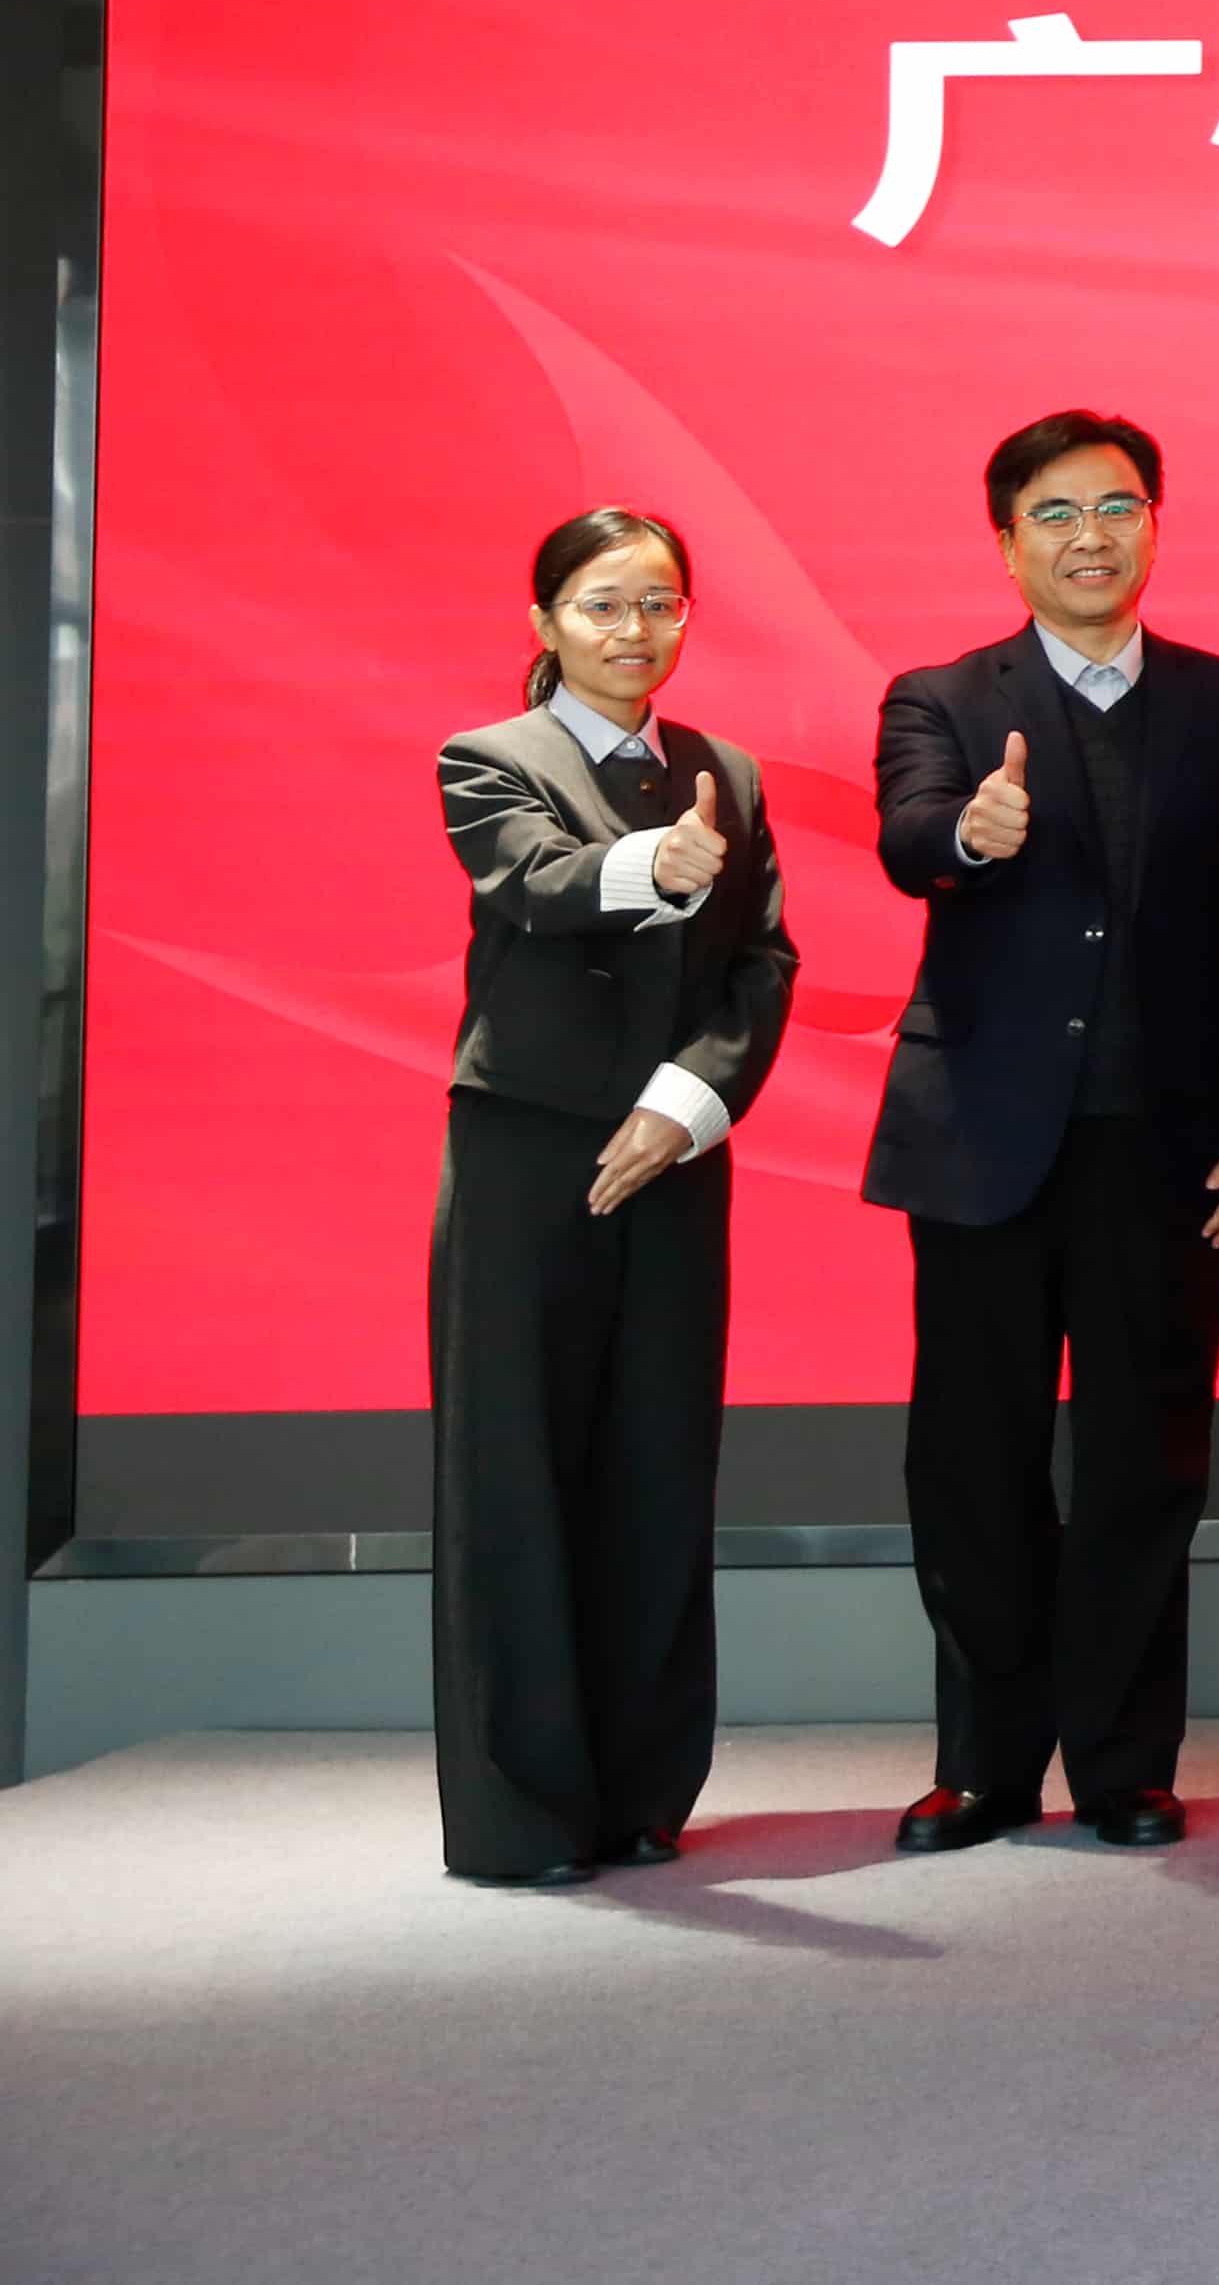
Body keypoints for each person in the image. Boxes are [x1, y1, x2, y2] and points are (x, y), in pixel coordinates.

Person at [863, 411, 1219, 1855]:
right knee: (974, 1457)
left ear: (1154, 526)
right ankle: (984, 1763)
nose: (1090, 537)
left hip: (1174, 1147)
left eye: (1117, 507)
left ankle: (1125, 1762)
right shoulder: (942, 697)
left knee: (1146, 1456)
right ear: (1007, 543)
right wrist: (972, 835)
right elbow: (910, 835)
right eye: (1055, 514)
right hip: (984, 1146)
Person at [427, 507, 796, 1888]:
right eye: (602, 604)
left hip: (674, 1150)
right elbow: (535, 883)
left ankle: (644, 1792)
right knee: (517, 1472)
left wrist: (686, 1105)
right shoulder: (491, 757)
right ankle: (522, 1813)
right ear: (546, 622)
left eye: (659, 604)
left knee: (658, 1464)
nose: (634, 630)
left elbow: (763, 964)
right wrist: (656, 866)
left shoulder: (725, 772)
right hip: (529, 1153)